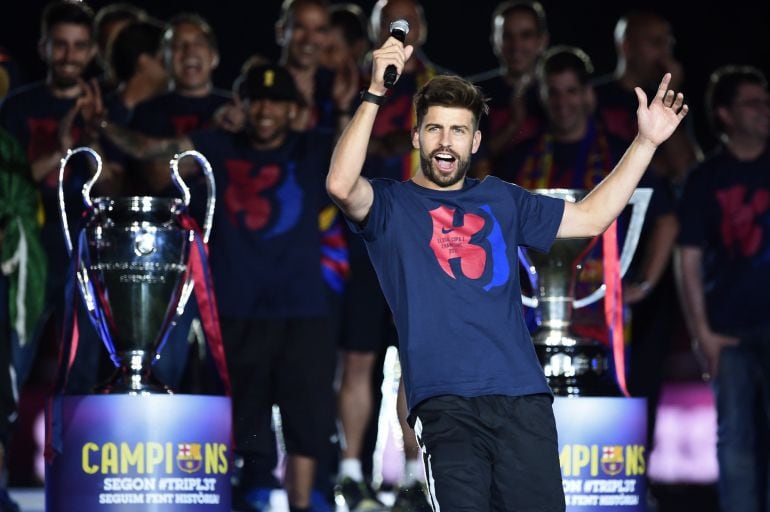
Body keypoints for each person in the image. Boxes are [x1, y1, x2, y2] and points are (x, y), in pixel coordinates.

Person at [326, 33, 687, 510]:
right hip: (444, 406)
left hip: (523, 399)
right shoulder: (391, 204)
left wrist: (645, 142)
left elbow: (591, 218)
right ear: (416, 137)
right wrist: (375, 92)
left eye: (458, 131)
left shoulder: (500, 196)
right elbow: (339, 183)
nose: (445, 142)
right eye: (434, 129)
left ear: (475, 141)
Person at [95, 62, 345, 512]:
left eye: (276, 101)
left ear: (293, 110)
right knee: (246, 418)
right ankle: (251, 499)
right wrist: (102, 123)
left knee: (307, 419)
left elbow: (367, 155)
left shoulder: (315, 147)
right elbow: (156, 164)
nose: (265, 109)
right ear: (241, 105)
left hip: (304, 310)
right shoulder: (215, 145)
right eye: (255, 99)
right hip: (236, 308)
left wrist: (348, 106)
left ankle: (304, 505)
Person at [676, 65, 770, 512]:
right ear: (725, 115)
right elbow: (687, 258)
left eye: (765, 101)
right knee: (736, 437)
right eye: (753, 103)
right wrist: (701, 334)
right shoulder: (704, 178)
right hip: (727, 330)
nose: (764, 110)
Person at [593, 10, 700, 186]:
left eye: (668, 44)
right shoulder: (593, 97)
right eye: (656, 43)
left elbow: (684, 168)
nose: (665, 53)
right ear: (627, 47)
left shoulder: (673, 100)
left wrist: (669, 91)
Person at [467, 0, 549, 178]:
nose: (516, 45)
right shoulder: (471, 93)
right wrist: (513, 125)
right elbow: (466, 159)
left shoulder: (560, 94)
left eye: (526, 35)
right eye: (507, 36)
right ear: (494, 40)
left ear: (542, 41)